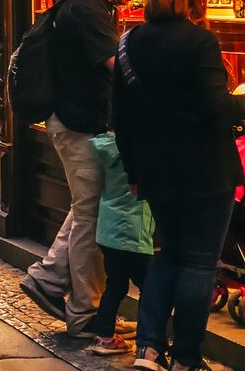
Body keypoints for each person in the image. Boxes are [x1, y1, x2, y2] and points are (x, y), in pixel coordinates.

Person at [116, 0, 245, 371]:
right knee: (199, 263)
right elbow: (215, 108)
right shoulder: (201, 42)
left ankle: (147, 349)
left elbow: (121, 117)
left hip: (156, 171)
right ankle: (186, 356)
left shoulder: (131, 41)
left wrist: (134, 172)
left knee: (167, 254)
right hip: (205, 170)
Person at [21, 0, 156, 336]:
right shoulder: (86, 8)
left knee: (89, 208)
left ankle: (47, 279)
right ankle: (84, 314)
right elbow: (119, 67)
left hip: (80, 123)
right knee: (93, 216)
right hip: (77, 125)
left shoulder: (86, 2)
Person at [85, 131, 153, 357]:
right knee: (150, 287)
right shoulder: (139, 150)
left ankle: (104, 338)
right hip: (131, 231)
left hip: (108, 231)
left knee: (115, 285)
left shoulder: (109, 147)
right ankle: (147, 343)